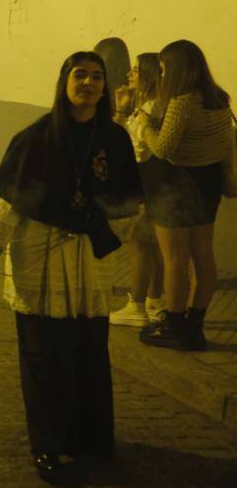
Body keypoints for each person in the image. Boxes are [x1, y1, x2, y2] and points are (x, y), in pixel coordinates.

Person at [0, 51, 142, 487]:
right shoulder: (35, 138)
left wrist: (104, 227)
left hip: (89, 262)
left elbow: (131, 201)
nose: (90, 83)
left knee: (90, 352)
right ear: (64, 81)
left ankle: (93, 438)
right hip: (41, 260)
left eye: (97, 76)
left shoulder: (114, 139)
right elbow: (3, 200)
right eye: (81, 75)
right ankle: (49, 445)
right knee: (44, 357)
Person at [137, 40, 235, 351]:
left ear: (177, 69)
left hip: (176, 184)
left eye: (165, 68)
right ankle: (195, 324)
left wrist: (144, 125)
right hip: (207, 183)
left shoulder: (183, 101)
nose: (162, 74)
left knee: (175, 259)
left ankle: (174, 325)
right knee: (203, 254)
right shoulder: (219, 99)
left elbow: (164, 148)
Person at [109, 53, 167, 327]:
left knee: (141, 243)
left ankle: (137, 305)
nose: (129, 74)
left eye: (135, 70)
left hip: (146, 185)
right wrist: (121, 109)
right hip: (151, 185)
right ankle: (156, 302)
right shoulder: (142, 105)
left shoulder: (151, 109)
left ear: (148, 75)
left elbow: (138, 152)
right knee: (153, 245)